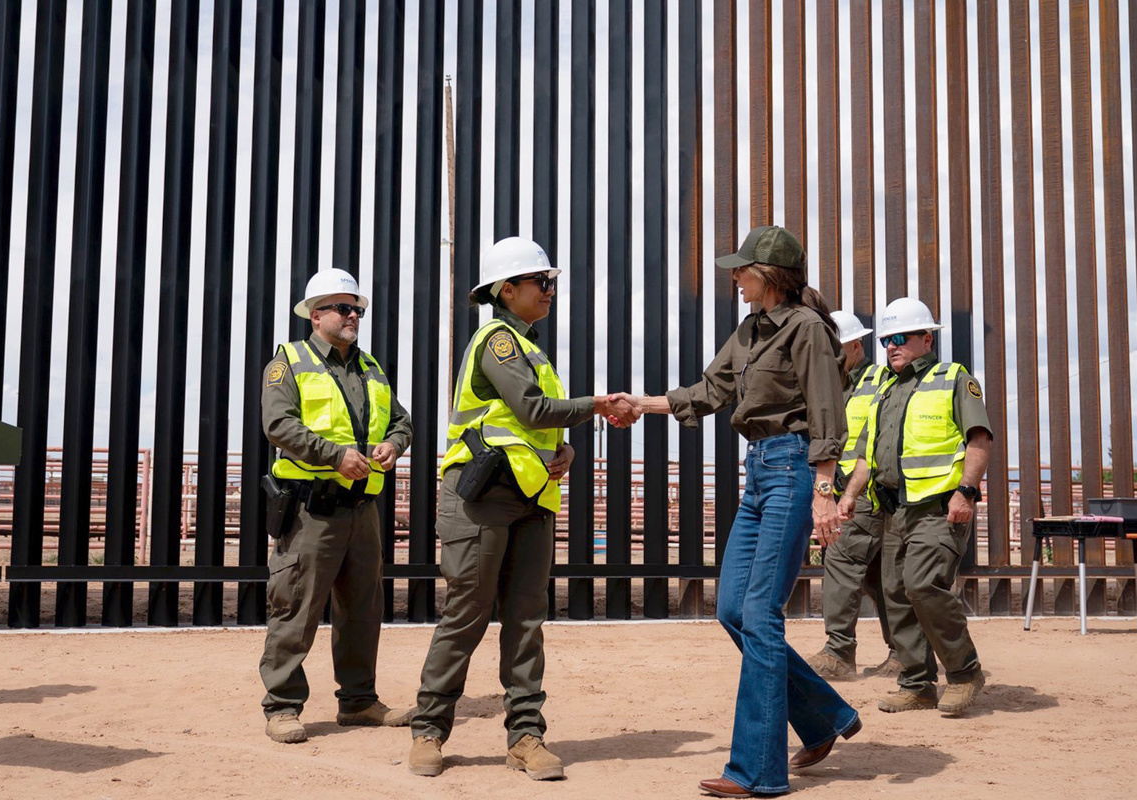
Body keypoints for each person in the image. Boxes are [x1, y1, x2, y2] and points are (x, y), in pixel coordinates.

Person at [617, 226, 861, 798]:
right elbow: (710, 389)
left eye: (742, 269)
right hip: (760, 473)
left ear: (770, 275)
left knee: (760, 615)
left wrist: (825, 491)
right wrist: (641, 404)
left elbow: (827, 412)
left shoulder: (805, 329)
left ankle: (758, 771)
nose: (734, 277)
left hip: (795, 470)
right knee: (732, 608)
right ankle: (826, 715)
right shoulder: (751, 329)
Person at [408, 237, 640, 781]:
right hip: (481, 498)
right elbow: (532, 409)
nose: (550, 290)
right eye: (542, 282)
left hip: (529, 498)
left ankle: (526, 737)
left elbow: (538, 425)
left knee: (526, 621)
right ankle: (429, 730)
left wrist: (566, 448)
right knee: (466, 615)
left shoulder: (530, 347)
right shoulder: (499, 340)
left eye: (550, 281)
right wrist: (600, 406)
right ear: (507, 290)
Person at [259, 268, 414, 744]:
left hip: (361, 511)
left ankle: (359, 701)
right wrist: (334, 456)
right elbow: (278, 425)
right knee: (296, 606)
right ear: (316, 313)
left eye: (358, 309)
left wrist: (394, 443)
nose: (354, 316)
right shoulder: (288, 363)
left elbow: (402, 420)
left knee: (364, 609)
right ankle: (282, 706)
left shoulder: (371, 367)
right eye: (345, 308)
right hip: (311, 512)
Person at [838, 297, 992, 715]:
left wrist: (967, 492)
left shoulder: (953, 378)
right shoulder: (885, 388)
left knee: (923, 584)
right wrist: (850, 495)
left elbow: (979, 439)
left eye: (901, 338)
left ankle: (964, 672)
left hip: (938, 508)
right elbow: (868, 455)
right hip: (894, 510)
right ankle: (917, 684)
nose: (891, 346)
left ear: (927, 338)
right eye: (887, 339)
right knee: (894, 594)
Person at [806, 310, 899, 681]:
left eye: (836, 349)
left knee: (841, 564)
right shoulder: (830, 387)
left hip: (867, 494)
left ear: (856, 346)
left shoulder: (880, 380)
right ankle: (904, 654)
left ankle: (839, 652)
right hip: (842, 494)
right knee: (879, 577)